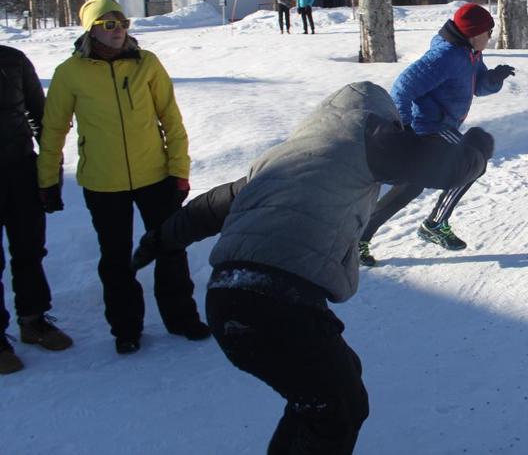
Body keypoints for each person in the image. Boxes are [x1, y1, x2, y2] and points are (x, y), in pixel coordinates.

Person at [129, 82, 495, 454]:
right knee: (337, 407)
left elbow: (206, 209)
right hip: (279, 301)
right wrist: (477, 149)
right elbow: (444, 167)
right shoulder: (369, 134)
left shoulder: (281, 156)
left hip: (228, 296)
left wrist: (154, 242)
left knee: (328, 393)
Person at [37, 0, 208, 354]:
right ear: (91, 30)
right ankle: (126, 328)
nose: (118, 31)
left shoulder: (147, 64)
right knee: (115, 258)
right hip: (103, 183)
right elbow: (53, 130)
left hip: (155, 176)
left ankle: (182, 319)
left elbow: (171, 120)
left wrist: (179, 171)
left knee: (171, 249)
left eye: (123, 23)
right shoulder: (70, 73)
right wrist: (48, 181)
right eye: (109, 24)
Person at [357, 4, 514, 265]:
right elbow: (402, 88)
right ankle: (435, 223)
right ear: (474, 34)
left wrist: (494, 79)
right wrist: (404, 128)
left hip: (440, 127)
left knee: (410, 186)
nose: (491, 36)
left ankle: (361, 238)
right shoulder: (446, 57)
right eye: (488, 31)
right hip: (429, 129)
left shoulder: (470, 52)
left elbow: (477, 87)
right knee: (475, 158)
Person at [0, 46, 73, 374]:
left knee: (29, 249)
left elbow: (41, 119)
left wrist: (51, 171)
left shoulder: (12, 60)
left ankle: (34, 320)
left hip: (20, 172)